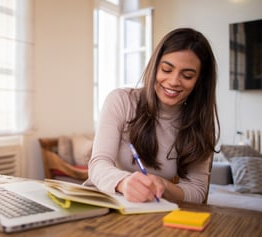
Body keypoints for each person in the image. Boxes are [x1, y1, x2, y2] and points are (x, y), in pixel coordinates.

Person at [84, 28, 220, 204]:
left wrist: (163, 185)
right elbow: (98, 164)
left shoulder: (200, 124)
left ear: (199, 81)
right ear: (154, 67)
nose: (173, 81)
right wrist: (124, 183)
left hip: (149, 212)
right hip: (103, 202)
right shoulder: (121, 100)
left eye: (187, 76)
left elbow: (197, 190)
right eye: (166, 69)